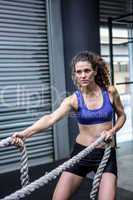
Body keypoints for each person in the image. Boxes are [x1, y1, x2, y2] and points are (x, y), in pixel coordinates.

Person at [12, 51, 126, 200]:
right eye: (79, 72)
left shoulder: (110, 92)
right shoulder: (73, 100)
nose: (83, 75)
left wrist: (112, 130)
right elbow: (50, 118)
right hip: (81, 153)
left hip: (105, 154)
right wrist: (25, 133)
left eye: (87, 70)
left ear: (95, 71)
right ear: (75, 74)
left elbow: (122, 116)